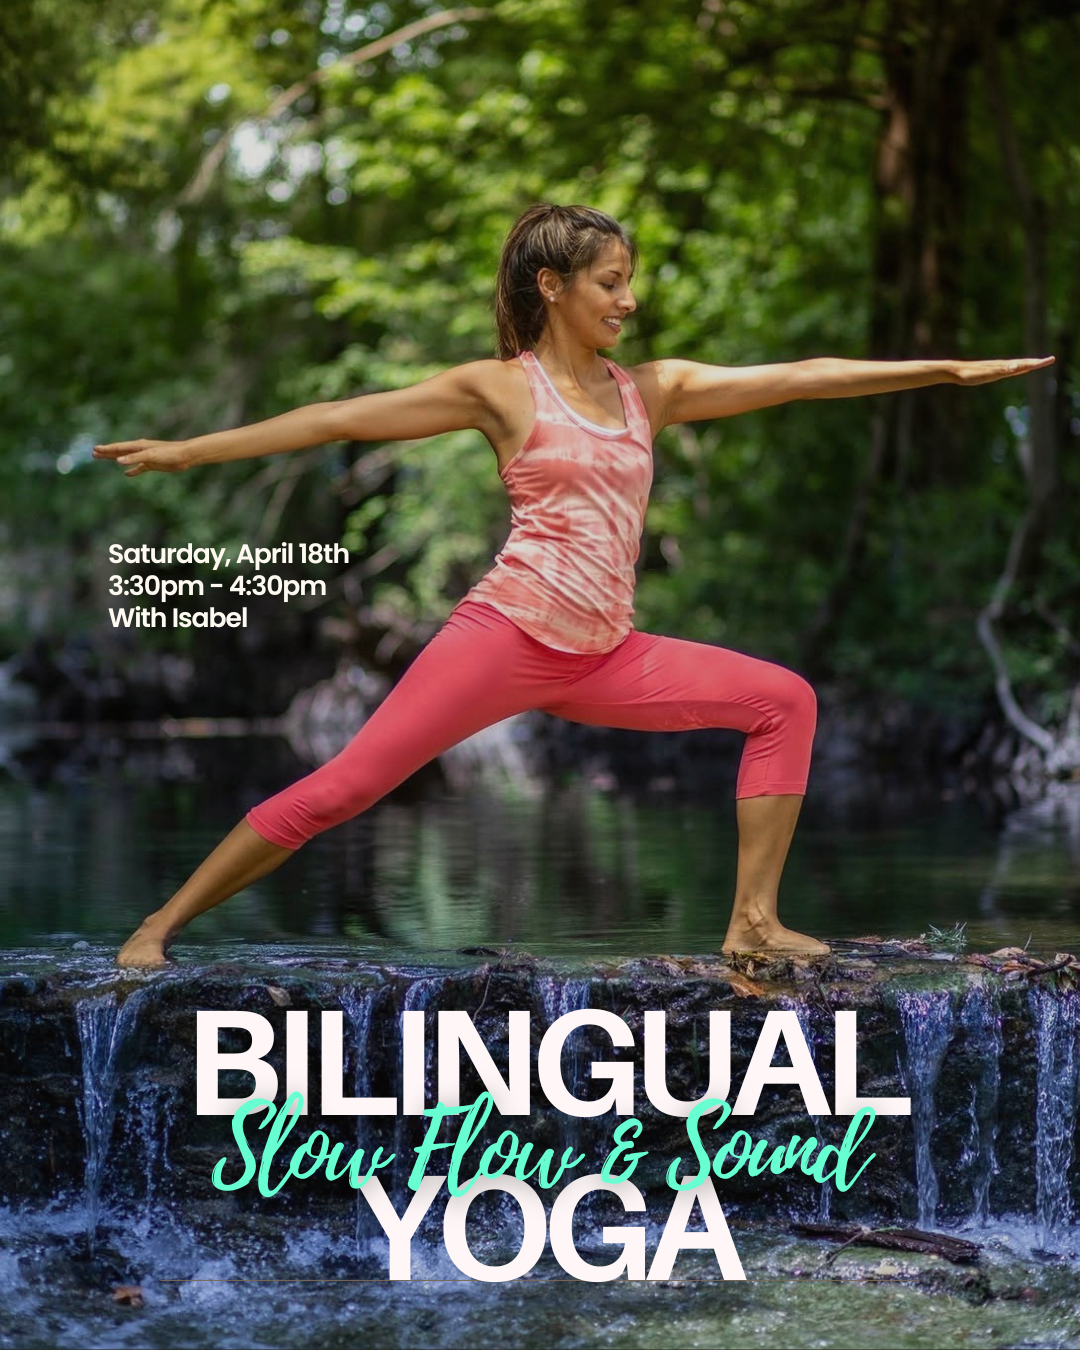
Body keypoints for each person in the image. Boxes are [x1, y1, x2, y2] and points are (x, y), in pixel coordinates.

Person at [96, 203, 1052, 967]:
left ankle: (753, 921)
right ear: (552, 287)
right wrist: (190, 452)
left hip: (609, 655)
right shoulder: (500, 389)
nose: (626, 300)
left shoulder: (655, 390)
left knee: (783, 701)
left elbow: (800, 376)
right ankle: (157, 928)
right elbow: (341, 418)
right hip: (504, 638)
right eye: (610, 282)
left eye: (628, 282)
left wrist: (944, 370)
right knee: (340, 789)